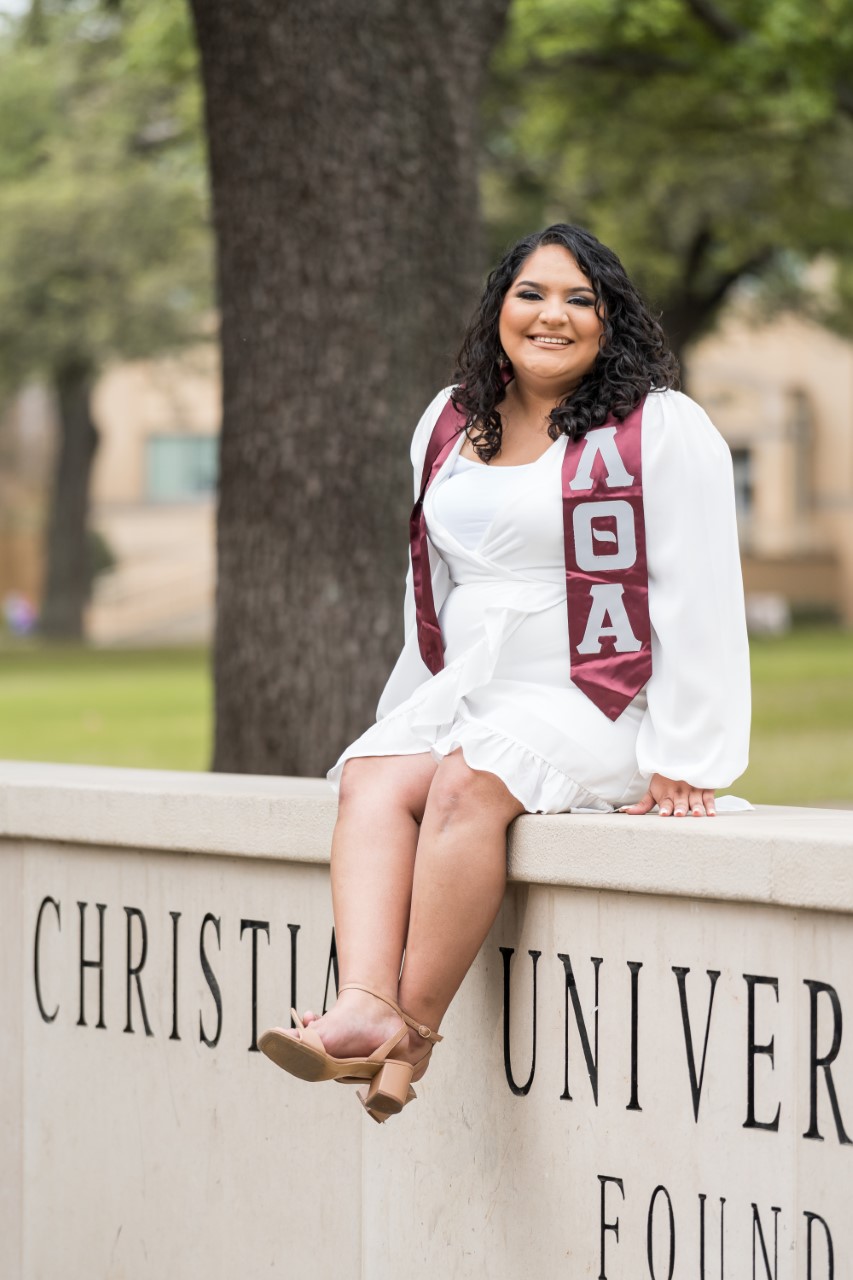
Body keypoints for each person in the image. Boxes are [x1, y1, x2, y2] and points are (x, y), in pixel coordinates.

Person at [258, 223, 750, 1122]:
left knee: (465, 785)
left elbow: (700, 585)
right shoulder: (450, 419)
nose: (550, 315)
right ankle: (361, 1000)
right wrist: (407, 710)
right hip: (474, 689)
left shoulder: (655, 427)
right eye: (530, 293)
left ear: (611, 321)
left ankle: (410, 1030)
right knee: (371, 777)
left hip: (598, 694)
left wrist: (689, 749)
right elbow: (431, 586)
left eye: (578, 299)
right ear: (499, 311)